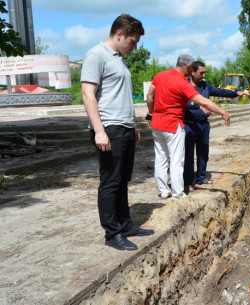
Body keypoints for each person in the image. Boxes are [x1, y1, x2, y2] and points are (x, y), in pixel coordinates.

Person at [81, 14, 154, 251]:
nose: (134, 47)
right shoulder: (96, 55)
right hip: (109, 128)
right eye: (133, 42)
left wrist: (132, 126)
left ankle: (126, 224)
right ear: (119, 34)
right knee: (110, 181)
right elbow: (88, 94)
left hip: (123, 128)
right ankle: (112, 234)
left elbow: (119, 95)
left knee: (123, 180)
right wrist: (99, 131)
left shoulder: (118, 58)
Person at [146, 55, 231, 200]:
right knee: (177, 161)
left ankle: (164, 190)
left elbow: (150, 95)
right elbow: (203, 101)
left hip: (157, 124)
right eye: (191, 69)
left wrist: (151, 113)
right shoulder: (182, 83)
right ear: (187, 67)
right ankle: (178, 193)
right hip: (173, 125)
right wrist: (222, 111)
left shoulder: (160, 75)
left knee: (160, 159)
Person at [184, 61, 250, 192]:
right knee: (188, 155)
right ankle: (187, 182)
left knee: (203, 153)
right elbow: (184, 102)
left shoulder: (205, 86)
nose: (203, 75)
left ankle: (201, 177)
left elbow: (220, 92)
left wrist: (237, 93)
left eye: (204, 72)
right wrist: (200, 106)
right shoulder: (184, 85)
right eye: (201, 73)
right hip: (189, 125)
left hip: (203, 125)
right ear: (192, 72)